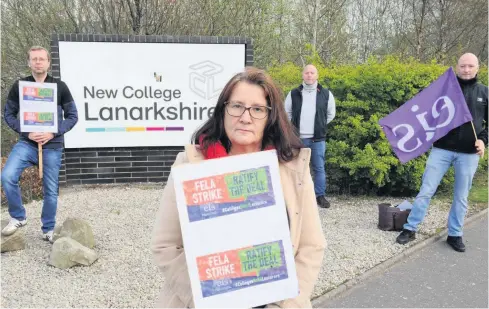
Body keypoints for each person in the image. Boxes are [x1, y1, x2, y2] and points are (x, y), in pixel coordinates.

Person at [151, 67, 326, 308]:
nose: (245, 117)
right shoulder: (188, 166)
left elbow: (311, 246)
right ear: (223, 110)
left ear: (270, 117)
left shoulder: (293, 168)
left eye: (257, 109)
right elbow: (166, 246)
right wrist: (204, 300)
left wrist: (286, 305)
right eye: (237, 106)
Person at [396, 53, 488, 252]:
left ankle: (455, 234)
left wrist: (483, 140)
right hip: (441, 149)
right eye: (463, 66)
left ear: (477, 68)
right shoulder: (444, 90)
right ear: (457, 67)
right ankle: (410, 228)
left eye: (470, 66)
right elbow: (423, 112)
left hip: (468, 154)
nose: (466, 69)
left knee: (461, 196)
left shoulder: (484, 92)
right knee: (426, 191)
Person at [1, 46, 78, 242]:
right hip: (27, 143)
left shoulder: (60, 87)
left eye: (41, 59)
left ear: (48, 63)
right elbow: (8, 114)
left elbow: (72, 116)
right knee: (7, 176)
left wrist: (53, 132)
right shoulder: (20, 86)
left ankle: (48, 229)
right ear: (29, 62)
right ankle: (18, 217)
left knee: (51, 190)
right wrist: (27, 131)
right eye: (34, 59)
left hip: (52, 145)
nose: (38, 62)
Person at [284, 64, 336, 209]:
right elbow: (286, 112)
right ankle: (297, 195)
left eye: (312, 73)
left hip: (318, 139)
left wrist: (320, 124)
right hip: (298, 139)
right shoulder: (293, 93)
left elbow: (331, 113)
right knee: (297, 167)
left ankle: (320, 196)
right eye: (307, 72)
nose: (309, 75)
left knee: (319, 168)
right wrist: (292, 128)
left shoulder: (326, 93)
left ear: (317, 76)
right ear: (303, 75)